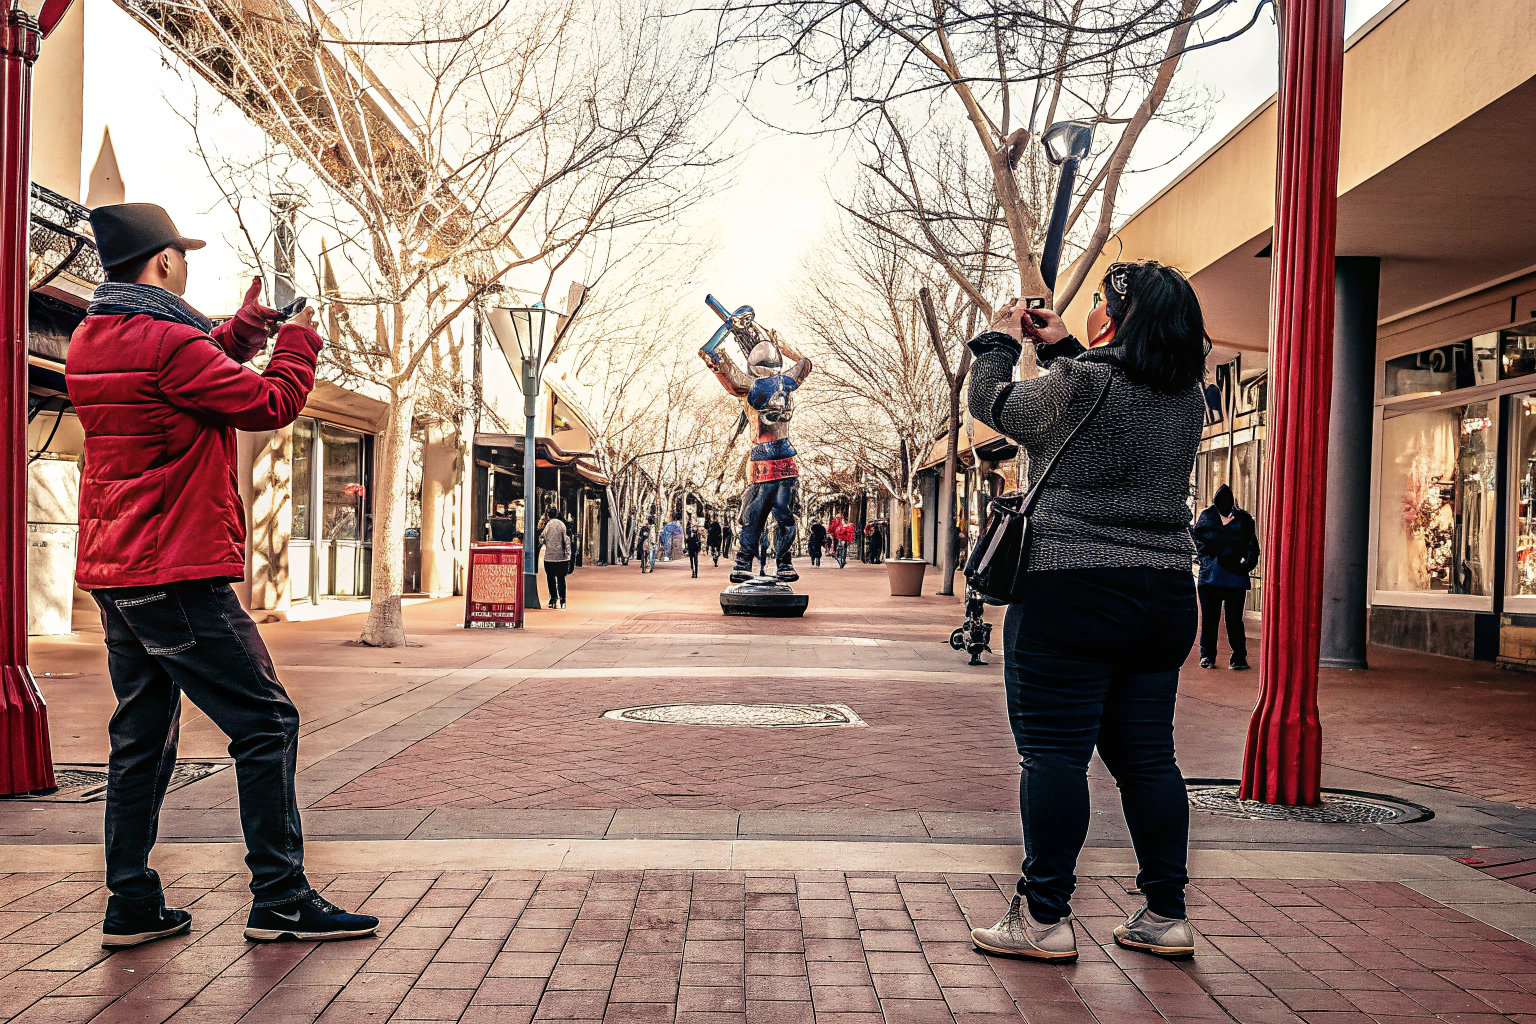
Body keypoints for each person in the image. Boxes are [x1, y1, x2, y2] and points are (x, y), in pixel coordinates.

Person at [66, 204, 378, 948]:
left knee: (141, 737)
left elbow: (182, 371)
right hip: (175, 571)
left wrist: (242, 332)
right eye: (182, 253)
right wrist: (297, 344)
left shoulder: (92, 337)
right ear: (164, 262)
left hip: (117, 571)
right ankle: (280, 897)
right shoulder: (168, 342)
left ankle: (131, 903)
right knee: (265, 722)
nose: (188, 263)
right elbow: (269, 403)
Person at [964, 261, 1209, 963]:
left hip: (1070, 588)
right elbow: (1112, 398)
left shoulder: (1082, 385)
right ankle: (1166, 913)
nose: (1099, 312)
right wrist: (1067, 347)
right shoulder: (1188, 396)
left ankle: (1044, 917)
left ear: (1122, 317)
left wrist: (999, 341)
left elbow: (997, 406)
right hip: (1162, 594)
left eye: (1105, 304)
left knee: (1053, 756)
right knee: (1149, 760)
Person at [1193, 484, 1259, 670]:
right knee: (1210, 619)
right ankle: (1208, 656)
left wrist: (1245, 565)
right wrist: (1208, 561)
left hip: (1233, 577)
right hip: (1212, 576)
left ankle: (1238, 656)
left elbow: (1252, 546)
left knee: (1234, 620)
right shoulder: (1207, 517)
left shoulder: (1244, 519)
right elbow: (1198, 543)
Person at [541, 512, 571, 609]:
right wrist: (567, 555)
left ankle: (553, 599)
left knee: (550, 578)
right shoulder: (562, 525)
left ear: (549, 516)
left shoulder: (548, 525)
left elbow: (541, 538)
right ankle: (563, 600)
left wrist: (547, 544)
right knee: (561, 579)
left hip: (549, 557)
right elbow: (566, 540)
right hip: (561, 557)